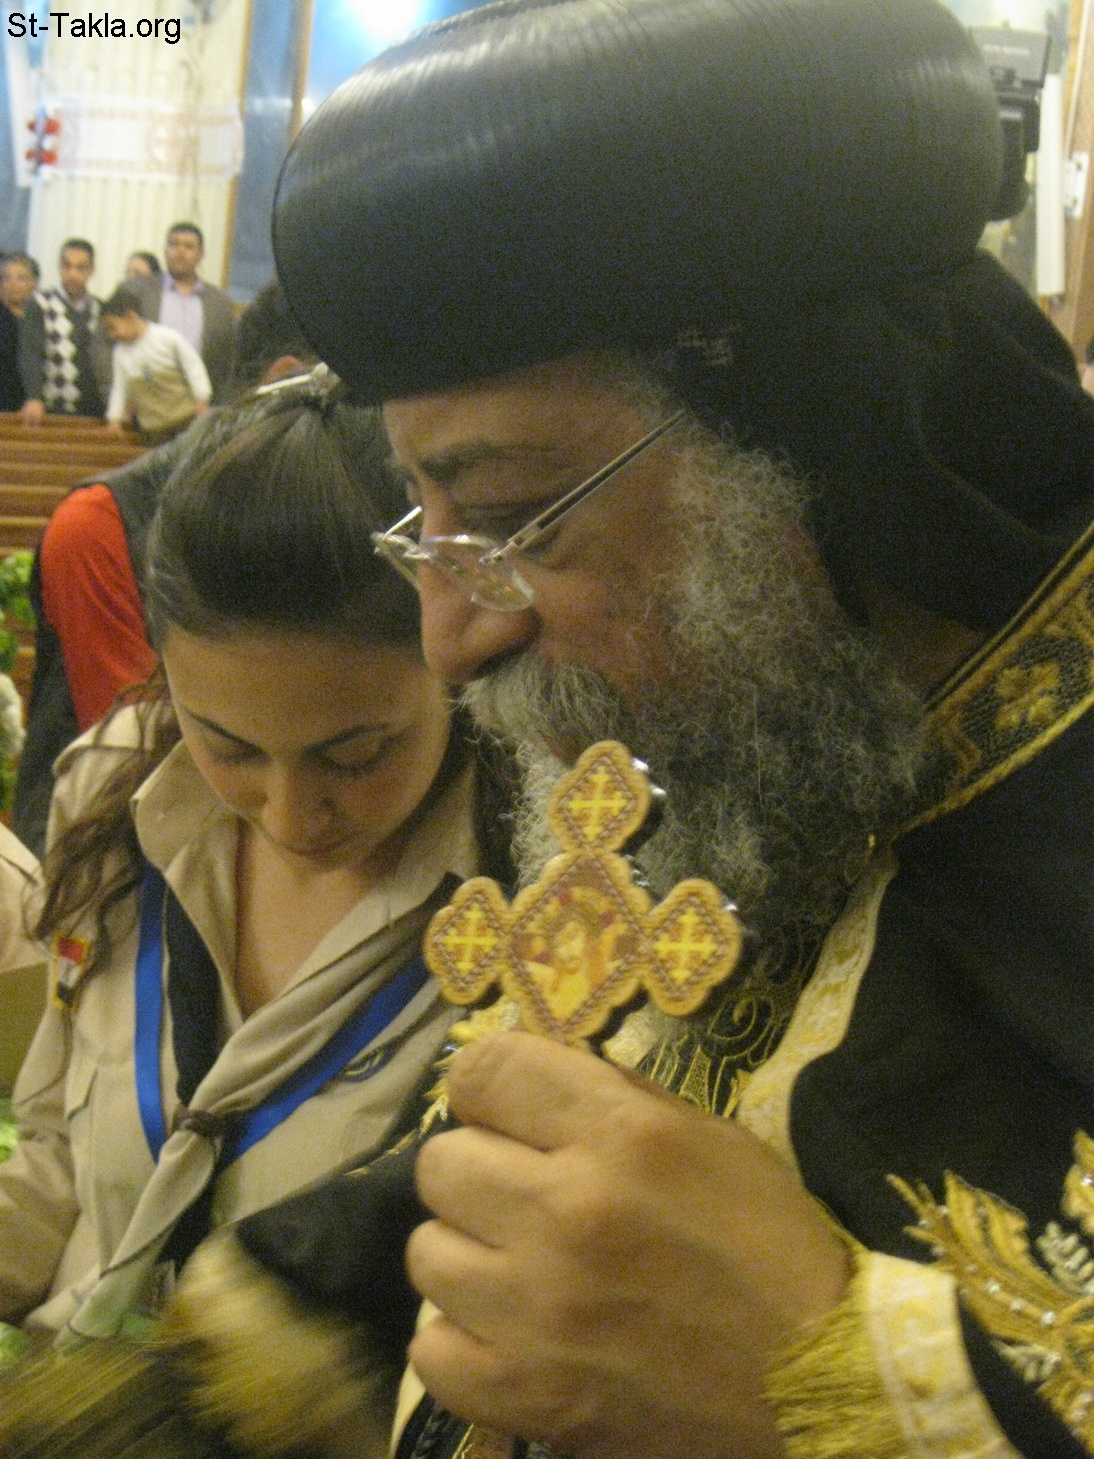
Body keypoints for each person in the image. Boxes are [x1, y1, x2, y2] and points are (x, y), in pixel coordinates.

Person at [272, 1, 1094, 1456]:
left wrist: (830, 1387)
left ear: (825, 440)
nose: (449, 638)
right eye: (425, 520)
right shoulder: (768, 732)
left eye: (516, 517)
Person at [0, 369, 515, 1355]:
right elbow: (58, 1159)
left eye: (354, 755)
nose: (289, 815)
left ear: (452, 665)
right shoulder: (114, 798)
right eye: (228, 746)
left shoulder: (537, 902)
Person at [12, 279, 312, 859]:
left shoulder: (322, 514)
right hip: (104, 861)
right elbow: (139, 756)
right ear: (287, 380)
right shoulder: (100, 524)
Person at [127, 223, 237, 403]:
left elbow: (228, 360)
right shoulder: (137, 291)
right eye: (174, 244)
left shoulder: (219, 303)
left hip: (199, 403)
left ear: (201, 256)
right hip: (146, 401)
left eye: (189, 246)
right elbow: (108, 341)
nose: (180, 251)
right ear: (165, 250)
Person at [101, 286, 212, 443]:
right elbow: (120, 387)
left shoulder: (167, 337)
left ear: (130, 316)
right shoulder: (120, 353)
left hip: (185, 418)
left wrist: (201, 398)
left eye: (112, 327)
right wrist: (114, 418)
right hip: (153, 428)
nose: (111, 335)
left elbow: (194, 368)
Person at [17, 239, 109, 423]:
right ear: (59, 267)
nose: (72, 274)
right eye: (67, 266)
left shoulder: (100, 308)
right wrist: (34, 396)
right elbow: (30, 353)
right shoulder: (40, 303)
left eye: (81, 268)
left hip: (95, 410)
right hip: (52, 408)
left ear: (92, 271)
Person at [0, 253, 39, 411]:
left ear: (34, 283)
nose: (13, 284)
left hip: (35, 408)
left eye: (21, 278)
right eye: (7, 278)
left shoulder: (42, 318)